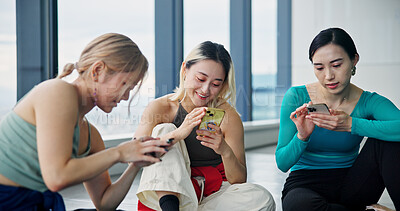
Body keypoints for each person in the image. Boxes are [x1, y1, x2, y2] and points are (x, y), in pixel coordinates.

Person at [0, 33, 170, 210]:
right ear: (98, 71)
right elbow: (57, 177)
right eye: (125, 85)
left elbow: (105, 203)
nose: (126, 97)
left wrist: (135, 164)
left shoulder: (91, 135)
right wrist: (119, 152)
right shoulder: (57, 91)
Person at [134, 41, 276, 211]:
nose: (205, 89)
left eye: (216, 84)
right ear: (185, 70)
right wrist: (179, 133)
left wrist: (224, 149)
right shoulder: (160, 108)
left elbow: (238, 180)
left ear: (223, 85)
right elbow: (135, 155)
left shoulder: (228, 116)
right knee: (165, 130)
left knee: (262, 198)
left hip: (212, 195)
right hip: (169, 195)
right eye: (200, 79)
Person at [275, 27, 400, 211]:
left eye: (336, 65)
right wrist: (302, 136)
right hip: (306, 183)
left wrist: (352, 124)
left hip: (354, 182)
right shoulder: (296, 96)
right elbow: (282, 163)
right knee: (299, 206)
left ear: (354, 60)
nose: (328, 76)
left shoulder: (368, 101)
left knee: (391, 139)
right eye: (319, 67)